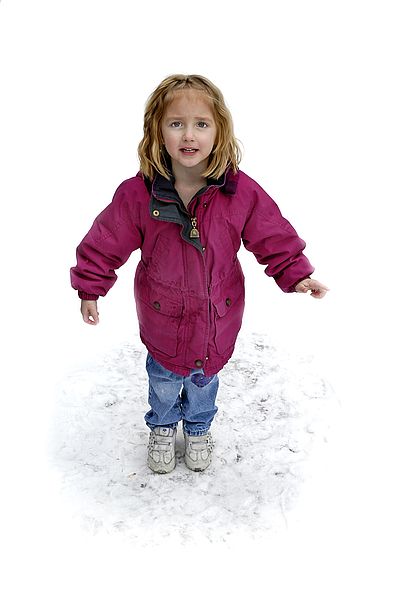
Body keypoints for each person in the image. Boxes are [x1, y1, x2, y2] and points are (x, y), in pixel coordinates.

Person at [71, 74, 328, 474]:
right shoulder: (138, 194)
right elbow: (105, 242)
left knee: (205, 382)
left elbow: (271, 234)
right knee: (163, 379)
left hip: (217, 318)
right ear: (157, 130)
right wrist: (90, 287)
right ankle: (161, 424)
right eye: (176, 123)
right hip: (162, 318)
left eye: (201, 124)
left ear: (219, 131)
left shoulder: (240, 192)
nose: (188, 135)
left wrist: (295, 273)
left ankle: (198, 426)